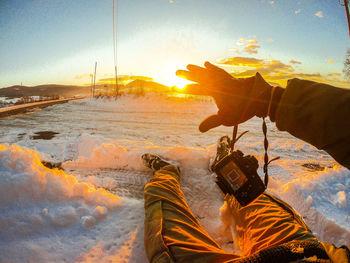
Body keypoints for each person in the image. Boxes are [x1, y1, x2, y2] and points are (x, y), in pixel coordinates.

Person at [141, 62, 350, 262]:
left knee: (167, 229)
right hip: (303, 254)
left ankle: (166, 174)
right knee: (251, 197)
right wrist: (269, 99)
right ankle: (226, 172)